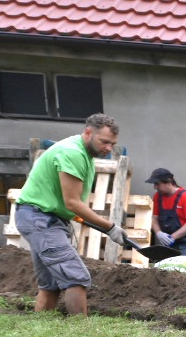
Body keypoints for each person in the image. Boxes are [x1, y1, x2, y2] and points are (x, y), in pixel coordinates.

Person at [14, 113, 128, 315]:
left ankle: (41, 328)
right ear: (88, 132)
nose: (109, 148)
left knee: (50, 283)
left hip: (41, 216)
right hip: (40, 219)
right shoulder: (73, 153)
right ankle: (80, 333)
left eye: (113, 144)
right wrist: (109, 228)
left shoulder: (82, 152)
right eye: (104, 142)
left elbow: (67, 203)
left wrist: (71, 215)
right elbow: (73, 202)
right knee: (76, 277)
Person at [146, 168, 186, 256]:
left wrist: (172, 237)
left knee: (185, 268)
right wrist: (158, 233)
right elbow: (154, 218)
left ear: (168, 182)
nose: (155, 187)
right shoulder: (157, 197)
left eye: (157, 184)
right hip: (168, 245)